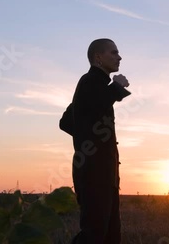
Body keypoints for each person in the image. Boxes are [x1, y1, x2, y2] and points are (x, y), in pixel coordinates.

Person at [59, 38, 131, 244]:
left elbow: (67, 123)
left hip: (103, 171)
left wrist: (86, 136)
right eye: (114, 52)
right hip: (93, 171)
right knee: (94, 234)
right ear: (98, 57)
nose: (119, 57)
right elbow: (93, 108)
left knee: (110, 234)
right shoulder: (89, 81)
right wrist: (116, 87)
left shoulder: (95, 86)